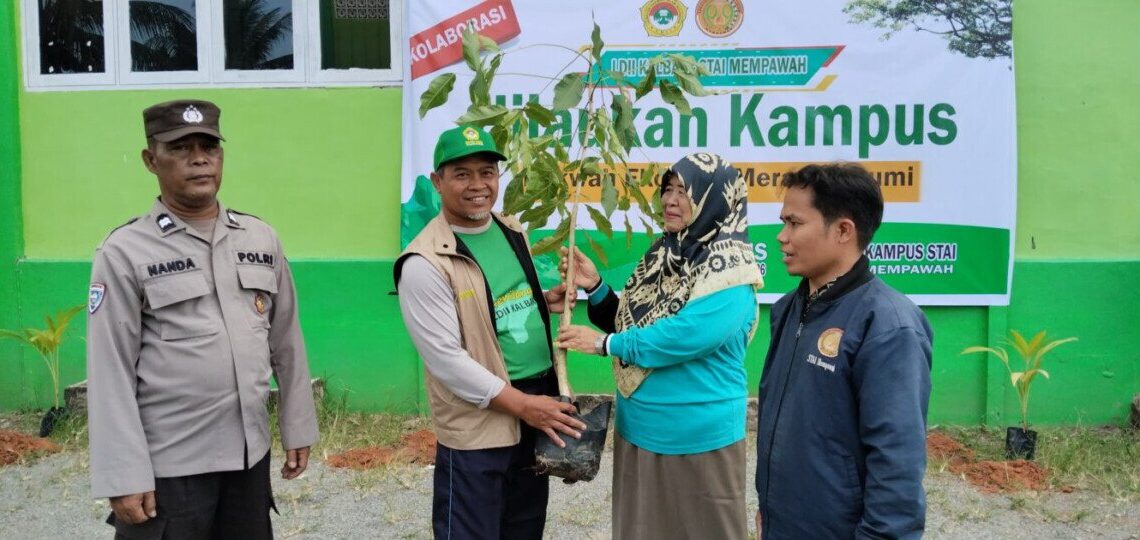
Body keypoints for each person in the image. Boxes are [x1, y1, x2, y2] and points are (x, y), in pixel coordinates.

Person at [86, 99, 319, 538]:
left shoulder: (259, 237)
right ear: (150, 160)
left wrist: (297, 426)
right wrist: (123, 474)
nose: (198, 159)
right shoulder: (125, 250)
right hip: (170, 465)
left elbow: (286, 340)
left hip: (249, 458)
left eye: (209, 146)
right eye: (180, 148)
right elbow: (109, 369)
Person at [394, 125, 587, 539]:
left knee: (524, 528)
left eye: (487, 172)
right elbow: (446, 359)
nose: (477, 185)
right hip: (480, 424)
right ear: (437, 182)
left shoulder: (511, 230)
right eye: (461, 174)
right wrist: (521, 405)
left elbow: (495, 303)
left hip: (534, 409)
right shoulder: (424, 261)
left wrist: (542, 301)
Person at [557, 153, 763, 540]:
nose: (670, 200)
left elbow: (682, 337)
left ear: (713, 198)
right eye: (667, 189)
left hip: (698, 436)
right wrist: (596, 287)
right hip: (641, 430)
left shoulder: (731, 272)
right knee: (644, 529)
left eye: (684, 191)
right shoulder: (665, 254)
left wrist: (606, 344)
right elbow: (634, 320)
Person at [754, 163, 932, 539]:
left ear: (843, 230)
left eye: (795, 223)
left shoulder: (888, 325)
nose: (781, 236)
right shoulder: (788, 309)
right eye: (783, 222)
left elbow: (896, 463)